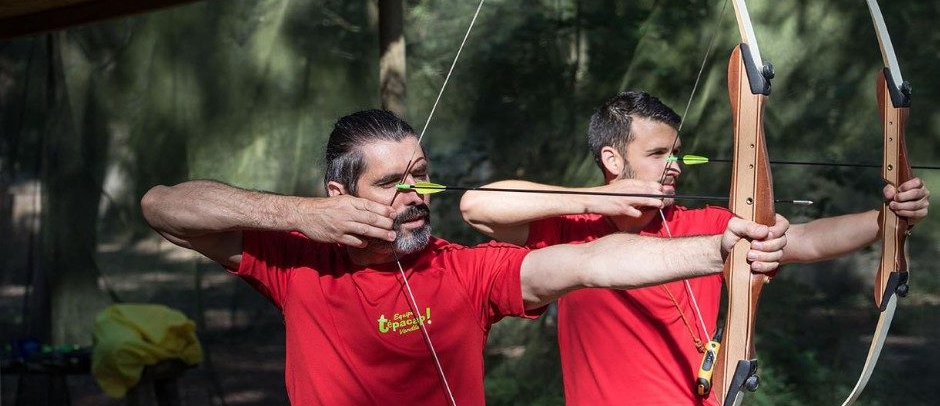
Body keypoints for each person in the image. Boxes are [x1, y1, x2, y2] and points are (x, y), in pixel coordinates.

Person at [140, 109, 789, 405]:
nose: (416, 194)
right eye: (392, 184)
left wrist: (716, 248)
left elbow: (593, 262)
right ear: (339, 195)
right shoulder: (296, 260)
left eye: (420, 175)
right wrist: (302, 216)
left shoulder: (465, 269)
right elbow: (162, 205)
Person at [459, 91, 931, 406]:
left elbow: (802, 240)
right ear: (612, 158)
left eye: (677, 153)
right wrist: (592, 198)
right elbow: (476, 206)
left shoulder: (706, 225)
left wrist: (886, 220)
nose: (674, 165)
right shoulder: (568, 228)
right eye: (658, 153)